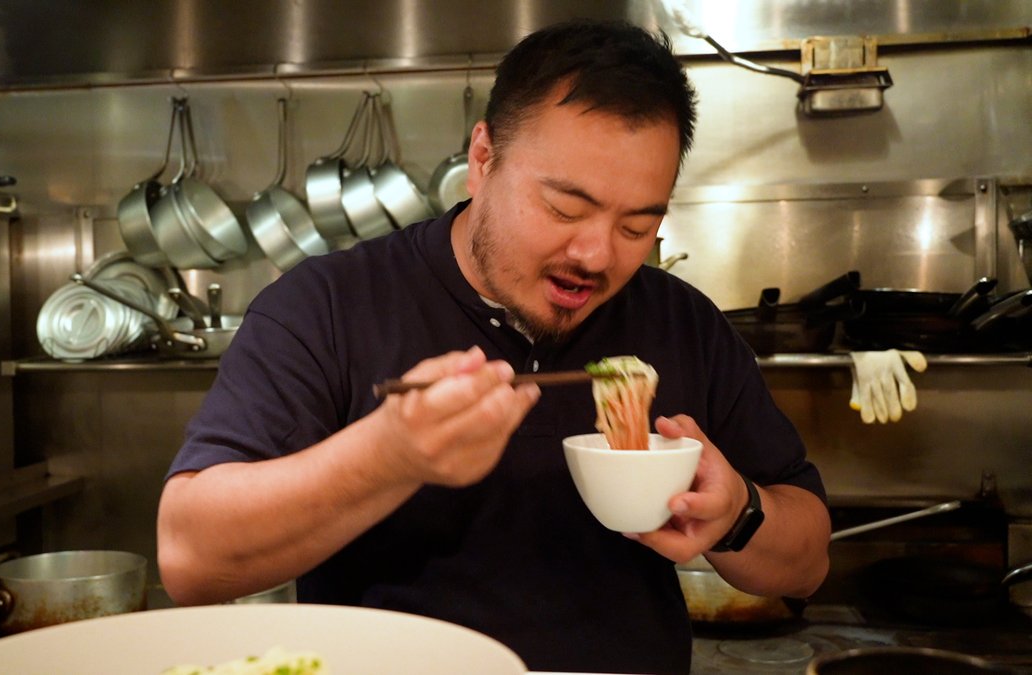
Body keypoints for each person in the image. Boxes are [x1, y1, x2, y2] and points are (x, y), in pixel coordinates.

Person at [157, 18, 831, 674]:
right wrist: (388, 454)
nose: (595, 255)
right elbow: (190, 557)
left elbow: (808, 558)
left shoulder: (683, 321)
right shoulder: (327, 305)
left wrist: (738, 511)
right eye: (565, 209)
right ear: (483, 160)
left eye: (636, 226)